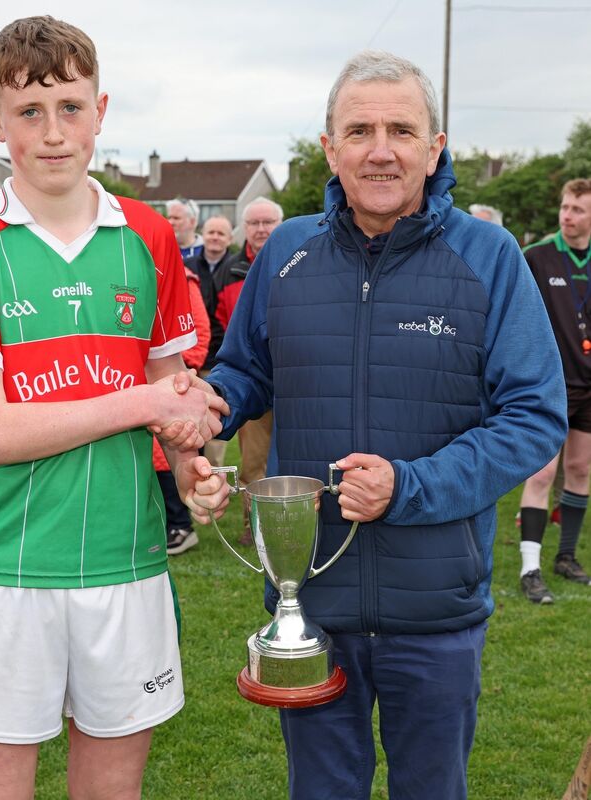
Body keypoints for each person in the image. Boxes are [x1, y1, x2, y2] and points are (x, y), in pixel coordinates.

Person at [177, 50, 566, 800]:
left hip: (436, 611)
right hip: (311, 605)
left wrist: (409, 486)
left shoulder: (490, 257)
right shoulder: (287, 250)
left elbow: (533, 416)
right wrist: (209, 407)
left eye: (400, 129)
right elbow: (247, 369)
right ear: (329, 147)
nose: (380, 149)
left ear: (435, 146)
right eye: (358, 130)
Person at [0, 16, 225, 800]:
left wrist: (193, 465)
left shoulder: (150, 237)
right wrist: (146, 400)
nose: (53, 134)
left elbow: (173, 398)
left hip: (129, 565)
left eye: (71, 108)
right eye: (28, 112)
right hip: (5, 574)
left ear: (101, 109)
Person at [518, 178, 591, 603]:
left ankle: (567, 556)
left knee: (580, 470)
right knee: (543, 472)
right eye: (565, 207)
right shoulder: (538, 257)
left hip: (589, 385)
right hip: (551, 384)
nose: (567, 215)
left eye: (578, 209)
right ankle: (531, 568)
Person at [216, 197, 283, 543]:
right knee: (254, 460)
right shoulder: (229, 270)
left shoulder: (299, 258)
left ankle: (290, 521)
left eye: (268, 222)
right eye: (255, 223)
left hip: (291, 380)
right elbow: (217, 321)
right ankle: (253, 524)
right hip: (251, 378)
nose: (261, 230)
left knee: (292, 457)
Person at [154, 267, 211, 555]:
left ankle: (180, 525)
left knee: (173, 451)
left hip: (169, 383)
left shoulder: (181, 277)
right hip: (139, 386)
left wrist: (177, 369)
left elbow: (198, 332)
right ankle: (163, 523)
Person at [185, 215, 234, 467]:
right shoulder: (189, 265)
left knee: (215, 418)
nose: (215, 237)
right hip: (190, 358)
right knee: (187, 419)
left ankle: (214, 474)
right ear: (203, 235)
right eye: (211, 232)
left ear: (230, 239)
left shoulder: (236, 268)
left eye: (221, 233)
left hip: (219, 358)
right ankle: (190, 467)